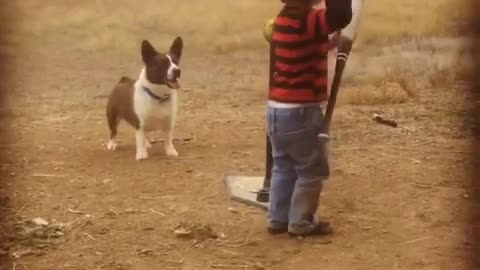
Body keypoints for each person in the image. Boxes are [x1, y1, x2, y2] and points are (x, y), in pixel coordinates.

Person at [266, 0, 352, 237]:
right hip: (301, 112)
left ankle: (278, 219)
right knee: (311, 170)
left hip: (276, 110)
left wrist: (325, 42)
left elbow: (302, 45)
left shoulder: (283, 19)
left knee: (283, 167)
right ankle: (301, 222)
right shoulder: (310, 19)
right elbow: (341, 15)